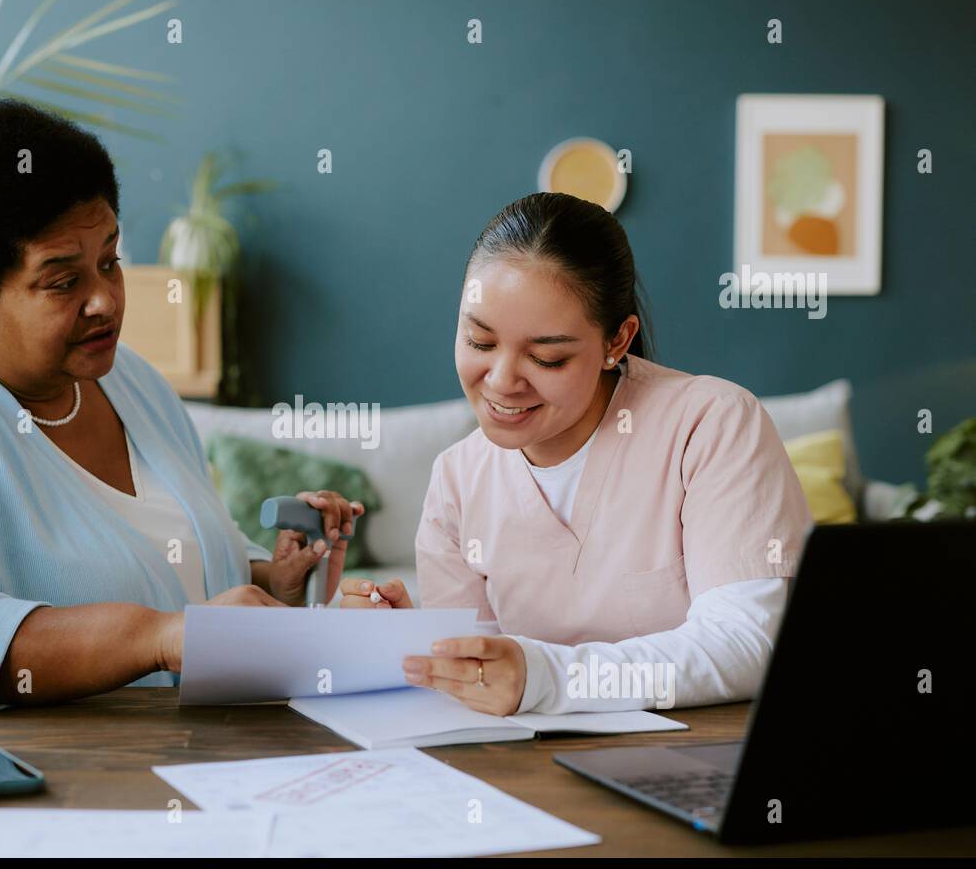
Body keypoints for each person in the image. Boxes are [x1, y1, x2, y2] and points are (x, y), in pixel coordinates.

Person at [0, 99, 362, 709]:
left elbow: (170, 563)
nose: (105, 301)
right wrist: (159, 639)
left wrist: (273, 580)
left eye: (109, 262)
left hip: (176, 764)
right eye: (62, 281)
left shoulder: (131, 382)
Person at [341, 192, 811, 717]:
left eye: (547, 356)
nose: (501, 381)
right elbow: (482, 684)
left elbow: (746, 645)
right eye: (479, 341)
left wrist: (547, 676)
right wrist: (423, 652)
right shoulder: (457, 478)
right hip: (525, 771)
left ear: (618, 341)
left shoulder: (712, 423)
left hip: (702, 760)